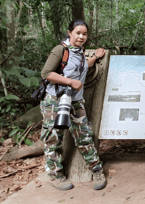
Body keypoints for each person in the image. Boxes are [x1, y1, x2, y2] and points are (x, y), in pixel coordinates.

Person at [40, 19, 107, 191]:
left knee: (84, 135)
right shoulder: (60, 50)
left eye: (84, 34)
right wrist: (70, 82)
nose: (81, 36)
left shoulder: (80, 52)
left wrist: (95, 58)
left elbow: (83, 67)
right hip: (55, 101)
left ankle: (97, 170)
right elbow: (46, 73)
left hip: (75, 101)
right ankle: (55, 175)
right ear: (70, 33)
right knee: (53, 138)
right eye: (78, 33)